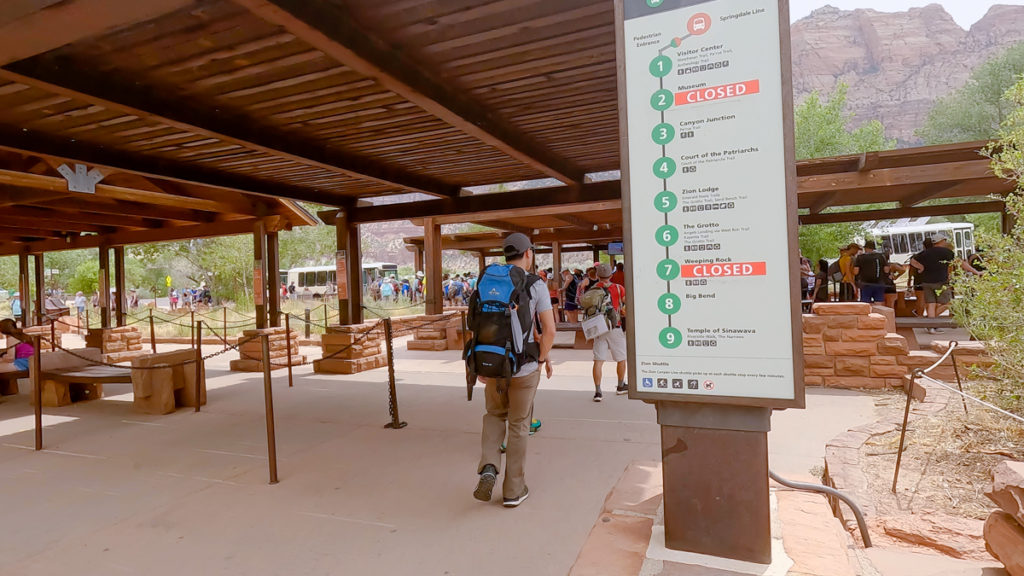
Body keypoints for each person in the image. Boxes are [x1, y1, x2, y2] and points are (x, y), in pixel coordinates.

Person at [473, 233, 555, 508]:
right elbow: (549, 330)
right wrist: (542, 360)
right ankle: (513, 490)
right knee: (519, 425)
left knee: (494, 415)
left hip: (494, 364)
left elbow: (476, 323)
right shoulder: (535, 284)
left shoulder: (488, 280)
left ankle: (488, 467)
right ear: (528, 253)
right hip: (524, 367)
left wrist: (479, 364)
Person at [587, 263, 628, 401]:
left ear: (597, 276)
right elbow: (626, 303)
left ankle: (598, 392)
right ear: (611, 275)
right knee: (621, 358)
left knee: (598, 360)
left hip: (599, 329)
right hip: (614, 326)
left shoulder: (592, 289)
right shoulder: (618, 288)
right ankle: (621, 385)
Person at [910, 234, 956, 332]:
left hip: (926, 282)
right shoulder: (947, 252)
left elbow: (912, 261)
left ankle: (931, 326)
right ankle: (930, 320)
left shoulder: (925, 253)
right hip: (940, 281)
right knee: (948, 303)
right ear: (941, 241)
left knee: (931, 304)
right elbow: (954, 263)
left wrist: (921, 267)